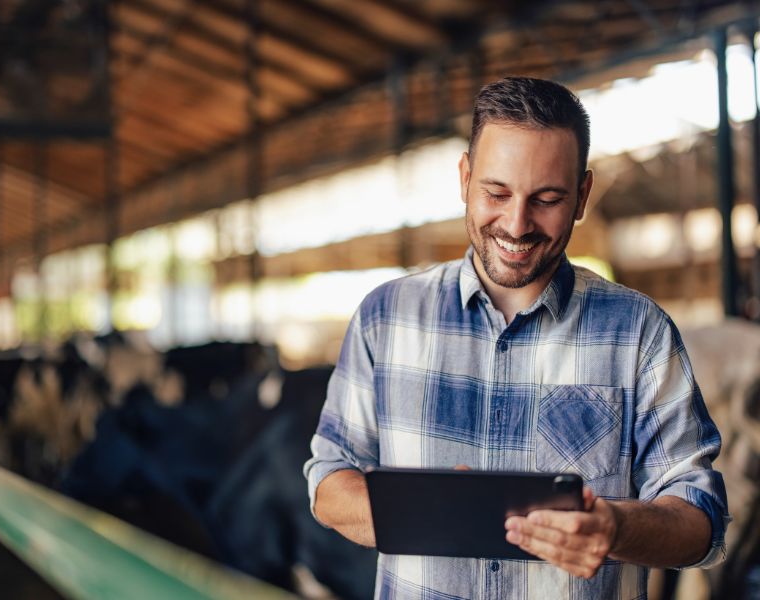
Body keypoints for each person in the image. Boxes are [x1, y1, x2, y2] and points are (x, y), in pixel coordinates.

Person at [303, 77, 729, 599]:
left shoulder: (638, 332)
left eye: (547, 198)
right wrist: (423, 507)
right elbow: (328, 482)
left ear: (583, 195)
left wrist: (615, 527)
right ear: (464, 178)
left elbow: (700, 517)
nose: (517, 223)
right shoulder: (384, 318)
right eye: (496, 193)